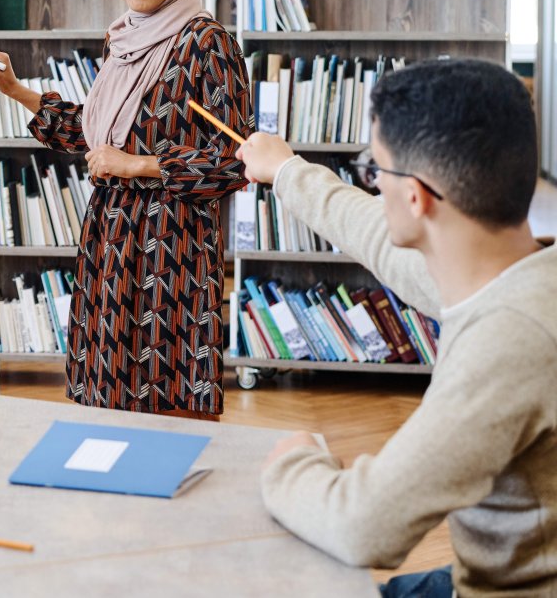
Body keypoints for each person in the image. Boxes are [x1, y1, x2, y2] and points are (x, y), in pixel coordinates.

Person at [238, 59, 556, 596]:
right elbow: (377, 238)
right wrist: (288, 171)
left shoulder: (511, 339)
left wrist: (294, 460)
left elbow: (363, 526)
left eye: (373, 168)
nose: (372, 181)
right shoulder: (516, 273)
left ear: (416, 196)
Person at [0, 0, 252, 418]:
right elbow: (97, 136)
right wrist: (15, 90)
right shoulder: (123, 41)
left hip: (173, 254)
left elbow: (236, 162)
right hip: (110, 245)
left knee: (168, 404)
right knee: (106, 405)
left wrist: (137, 166)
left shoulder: (208, 44)